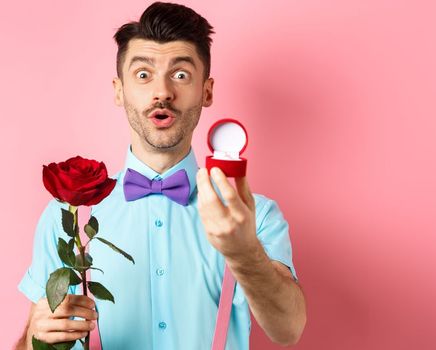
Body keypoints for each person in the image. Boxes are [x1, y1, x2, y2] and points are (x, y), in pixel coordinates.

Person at [15, 2, 306, 349]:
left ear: (207, 91)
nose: (162, 92)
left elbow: (289, 330)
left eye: (181, 74)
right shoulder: (69, 217)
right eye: (143, 74)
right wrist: (35, 338)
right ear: (119, 90)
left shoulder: (255, 216)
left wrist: (244, 253)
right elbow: (34, 342)